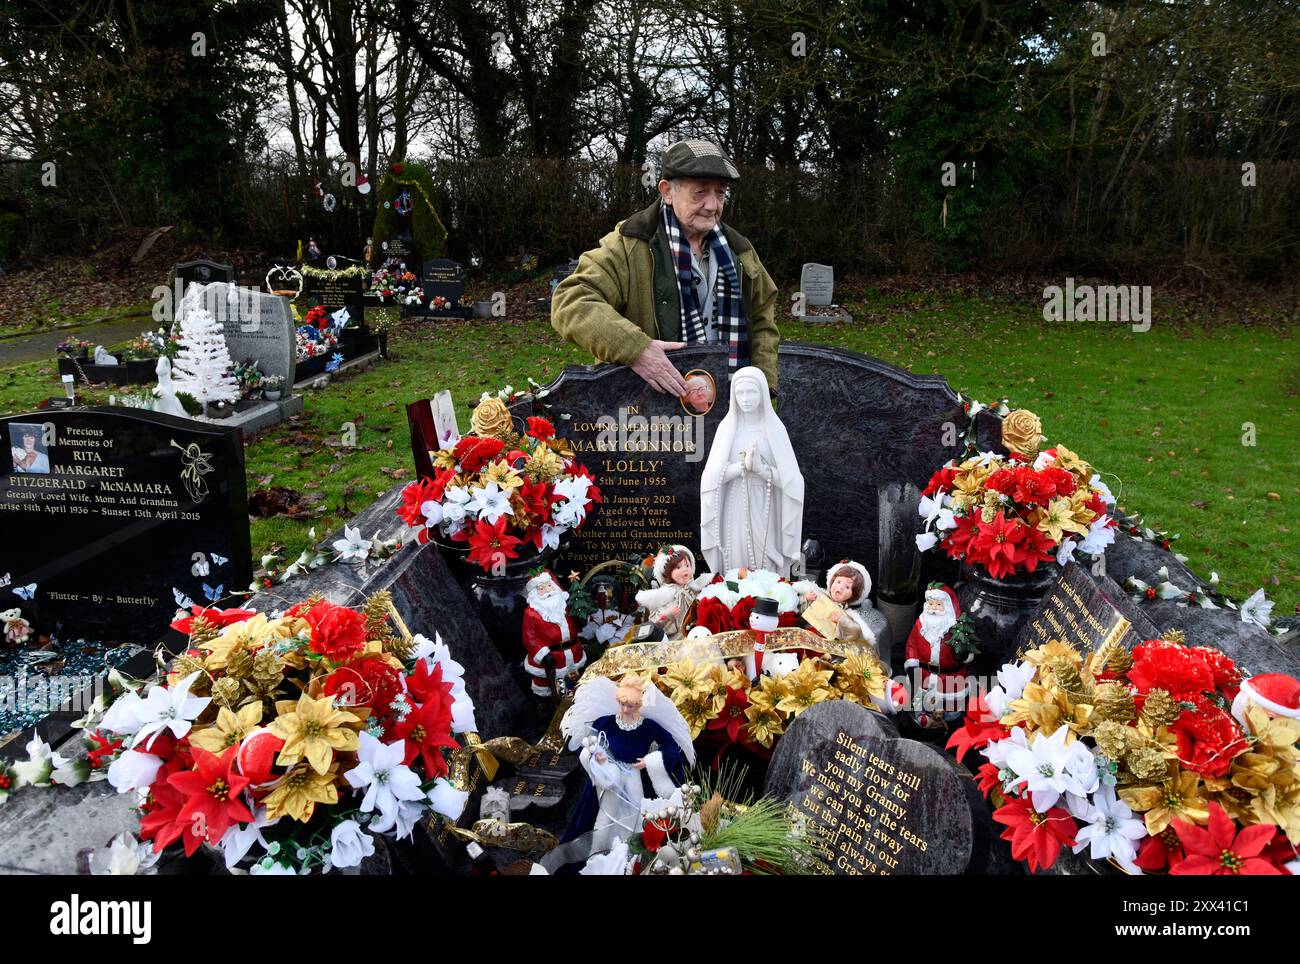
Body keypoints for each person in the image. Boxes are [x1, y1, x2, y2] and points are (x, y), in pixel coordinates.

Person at [551, 138, 780, 396]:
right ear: (667, 192)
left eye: (720, 192)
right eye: (700, 192)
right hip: (647, 412)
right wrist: (636, 349)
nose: (712, 205)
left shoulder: (740, 250)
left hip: (728, 409)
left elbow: (762, 321)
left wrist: (763, 387)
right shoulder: (631, 243)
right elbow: (571, 301)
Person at [699, 366, 804, 577]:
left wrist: (763, 470)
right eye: (740, 393)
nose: (745, 398)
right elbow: (709, 478)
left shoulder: (774, 429)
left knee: (763, 554)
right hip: (734, 503)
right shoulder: (727, 428)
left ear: (763, 393)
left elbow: (793, 482)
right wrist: (742, 467)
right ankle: (733, 600)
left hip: (766, 505)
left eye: (751, 392)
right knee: (737, 553)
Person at [520, 571, 586, 697]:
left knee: (575, 682)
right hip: (553, 658)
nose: (547, 591)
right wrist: (543, 654)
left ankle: (575, 699)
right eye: (541, 588)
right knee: (551, 687)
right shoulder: (531, 613)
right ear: (534, 593)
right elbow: (529, 637)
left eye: (549, 586)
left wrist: (581, 620)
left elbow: (575, 623)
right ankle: (554, 704)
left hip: (573, 652)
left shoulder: (565, 605)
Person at [634, 545, 713, 639]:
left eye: (687, 565)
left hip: (695, 632)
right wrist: (668, 613)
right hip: (677, 638)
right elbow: (654, 620)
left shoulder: (692, 588)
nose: (685, 569)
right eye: (678, 567)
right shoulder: (665, 594)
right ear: (667, 573)